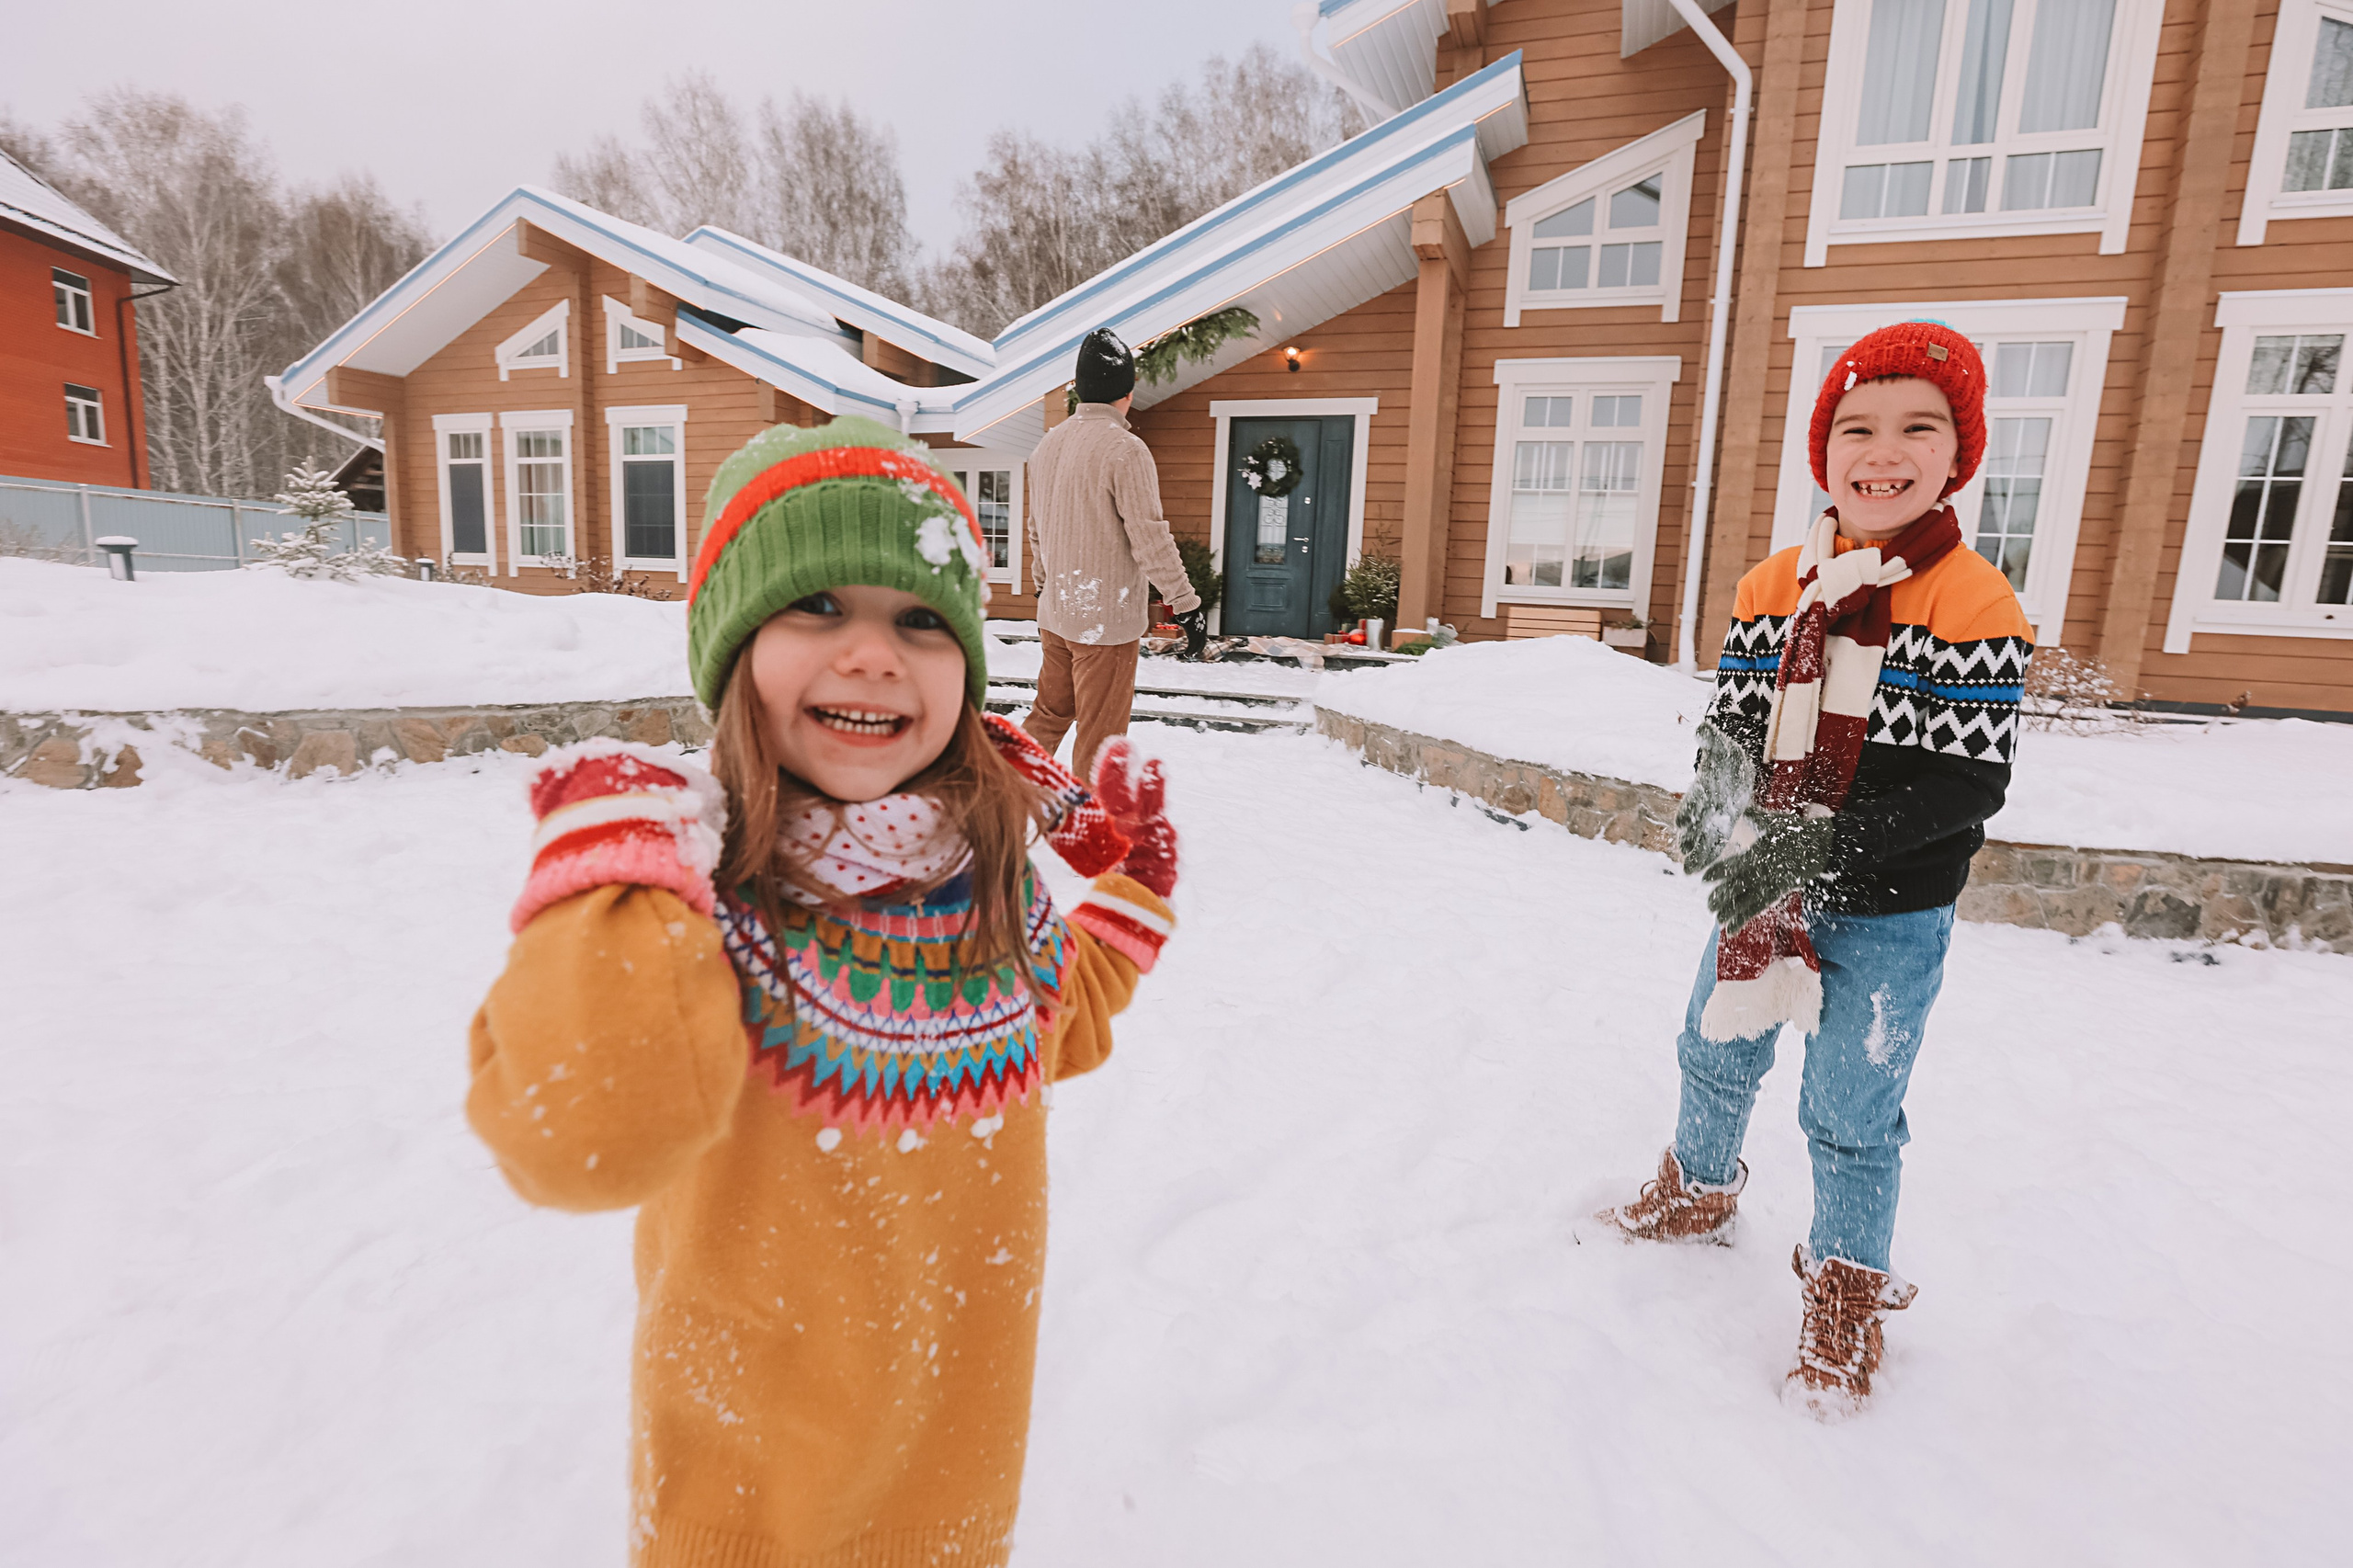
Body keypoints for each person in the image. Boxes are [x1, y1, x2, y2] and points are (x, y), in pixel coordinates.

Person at [465, 416, 1184, 1565]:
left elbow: (1054, 1025)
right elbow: (588, 1136)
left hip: (950, 1494)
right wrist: (615, 872)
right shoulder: (699, 906)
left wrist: (1134, 892)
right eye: (815, 607)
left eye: (918, 619)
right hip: (738, 1509)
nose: (871, 651)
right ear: (732, 650)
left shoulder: (977, 884)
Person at [1594, 321, 2034, 1419]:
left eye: (1916, 427)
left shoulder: (1973, 603)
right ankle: (1699, 1187)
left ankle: (1845, 1285)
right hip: (1762, 885)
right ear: (1822, 448)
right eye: (1857, 426)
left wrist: (1808, 849)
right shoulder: (1771, 584)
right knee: (1712, 1045)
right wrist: (1719, 826)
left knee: (1849, 1108)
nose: (1883, 451)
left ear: (1956, 452)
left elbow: (1958, 787)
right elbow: (1731, 734)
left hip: (1892, 912)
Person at [1023, 326, 1208, 778]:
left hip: (1057, 613)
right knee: (1101, 739)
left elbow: (1036, 531)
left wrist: (1044, 588)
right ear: (1126, 393)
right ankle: (1094, 837)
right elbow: (1150, 538)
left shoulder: (1046, 447)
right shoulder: (1126, 450)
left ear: (1080, 390)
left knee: (1048, 716)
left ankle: (1002, 802)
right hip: (1104, 622)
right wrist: (1186, 605)